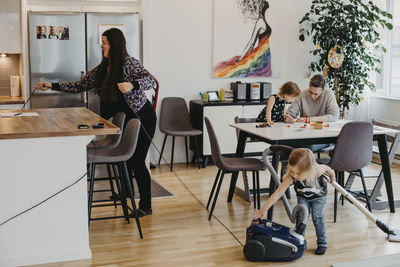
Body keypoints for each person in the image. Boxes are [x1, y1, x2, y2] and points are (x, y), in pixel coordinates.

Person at [35, 28, 157, 217]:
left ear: (114, 44)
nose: (102, 45)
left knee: (136, 160)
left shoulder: (129, 63)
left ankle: (146, 206)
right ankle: (126, 193)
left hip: (143, 118)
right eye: (101, 41)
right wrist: (52, 85)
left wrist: (133, 84)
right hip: (125, 120)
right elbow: (79, 85)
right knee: (127, 159)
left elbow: (150, 80)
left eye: (105, 42)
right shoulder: (103, 69)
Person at [253, 148, 336, 255]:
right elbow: (277, 193)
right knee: (300, 218)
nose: (294, 176)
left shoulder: (317, 171)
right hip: (303, 197)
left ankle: (322, 243)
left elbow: (328, 169)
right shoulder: (291, 177)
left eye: (298, 173)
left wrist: (332, 175)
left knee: (317, 218)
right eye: (292, 171)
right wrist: (263, 210)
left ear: (309, 170)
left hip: (318, 198)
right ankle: (300, 241)